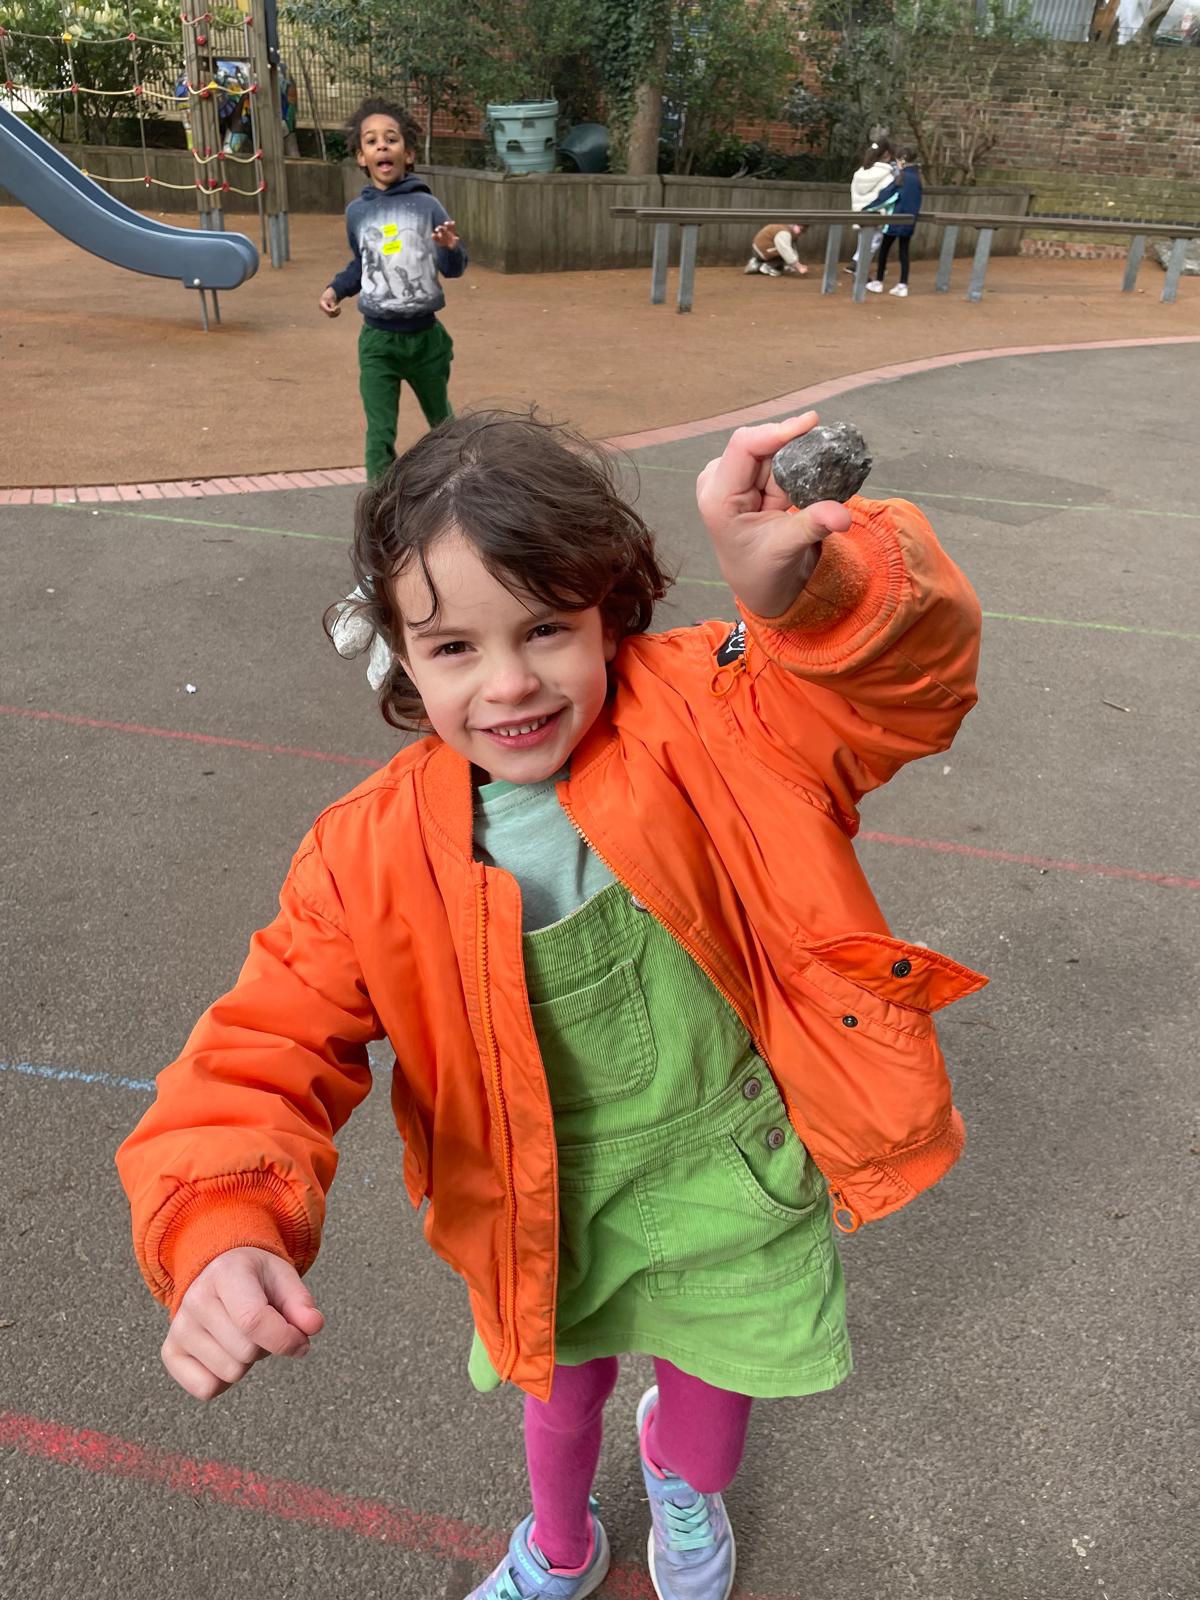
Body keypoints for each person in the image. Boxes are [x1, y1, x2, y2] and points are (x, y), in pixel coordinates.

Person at [116, 409, 985, 1600]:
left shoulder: (715, 715)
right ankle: (560, 1544)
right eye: (454, 646)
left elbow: (898, 693)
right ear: (400, 657)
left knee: (712, 1420)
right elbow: (262, 1043)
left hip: (734, 1178)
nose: (510, 681)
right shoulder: (367, 855)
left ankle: (679, 1480)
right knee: (558, 1400)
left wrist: (804, 599)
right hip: (539, 1200)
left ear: (609, 613)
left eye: (545, 628)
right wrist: (222, 1223)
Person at [319, 97, 467, 481]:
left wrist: (451, 248)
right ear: (361, 157)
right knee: (380, 431)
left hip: (426, 340)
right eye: (371, 141)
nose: (382, 146)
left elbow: (453, 269)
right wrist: (336, 290)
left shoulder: (427, 205)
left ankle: (460, 487)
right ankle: (378, 499)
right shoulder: (356, 212)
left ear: (409, 153)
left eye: (391, 139)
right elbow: (361, 264)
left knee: (443, 424)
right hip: (378, 343)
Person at [865, 148, 923, 298]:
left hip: (895, 219)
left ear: (902, 160)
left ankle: (878, 281)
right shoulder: (917, 177)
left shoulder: (902, 177)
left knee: (884, 250)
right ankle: (903, 284)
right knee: (904, 251)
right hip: (910, 219)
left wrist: (868, 208)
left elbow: (888, 196)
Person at [845, 139, 895, 275]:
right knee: (874, 242)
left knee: (864, 239)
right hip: (877, 214)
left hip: (860, 213)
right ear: (887, 155)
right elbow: (887, 196)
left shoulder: (860, 173)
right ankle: (859, 266)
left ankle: (855, 263)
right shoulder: (887, 175)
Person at [743, 221, 808, 276]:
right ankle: (769, 266)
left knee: (787, 255)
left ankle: (757, 263)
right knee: (783, 257)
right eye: (801, 230)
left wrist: (797, 265)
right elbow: (785, 250)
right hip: (763, 250)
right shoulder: (784, 232)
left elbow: (792, 250)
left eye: (804, 231)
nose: (801, 233)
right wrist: (798, 266)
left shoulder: (786, 229)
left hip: (760, 250)